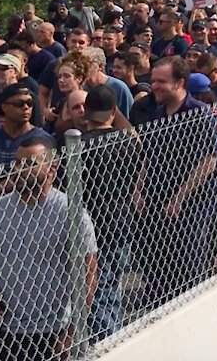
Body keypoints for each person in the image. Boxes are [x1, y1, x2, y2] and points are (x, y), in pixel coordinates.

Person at [0, 136, 97, 361]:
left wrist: (72, 331)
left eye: (29, 164)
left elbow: (88, 274)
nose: (19, 170)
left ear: (51, 169)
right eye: (17, 163)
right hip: (8, 329)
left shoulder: (70, 213)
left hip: (55, 327)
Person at [136, 57, 217, 305]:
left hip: (192, 199)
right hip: (159, 193)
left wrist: (179, 198)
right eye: (153, 81)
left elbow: (208, 160)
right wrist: (138, 189)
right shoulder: (158, 113)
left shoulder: (199, 114)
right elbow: (148, 155)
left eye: (162, 81)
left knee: (188, 254)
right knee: (153, 253)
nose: (155, 86)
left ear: (180, 83)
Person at [77, 85, 144, 341]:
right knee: (110, 286)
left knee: (97, 292)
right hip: (121, 220)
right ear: (114, 111)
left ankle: (106, 340)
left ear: (86, 113)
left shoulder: (80, 146)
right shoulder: (127, 143)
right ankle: (110, 335)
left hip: (93, 224)